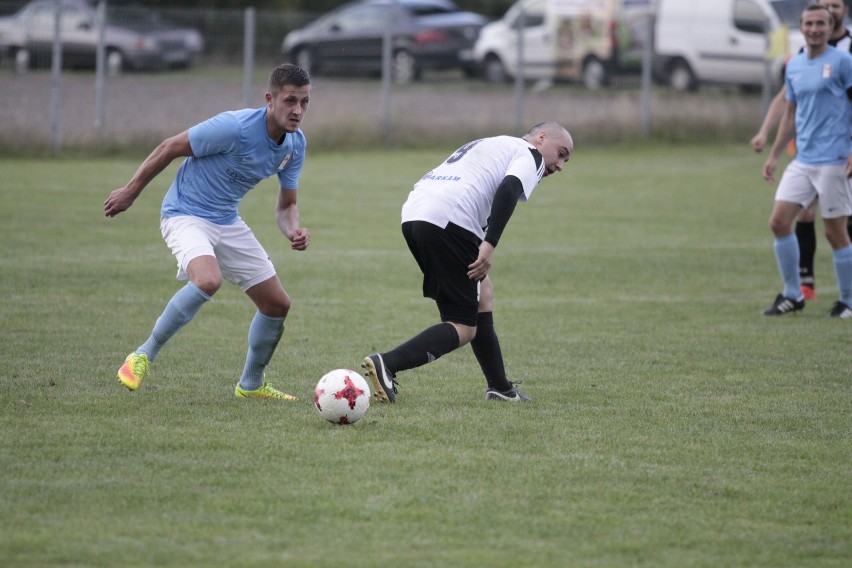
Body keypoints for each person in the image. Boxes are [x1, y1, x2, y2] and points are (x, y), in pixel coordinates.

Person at [103, 63, 313, 398]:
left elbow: (287, 206)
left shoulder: (294, 146)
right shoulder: (234, 127)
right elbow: (170, 146)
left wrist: (293, 230)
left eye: (304, 102)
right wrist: (131, 191)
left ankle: (251, 385)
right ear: (270, 99)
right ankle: (142, 354)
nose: (298, 110)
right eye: (290, 101)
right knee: (207, 279)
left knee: (277, 304)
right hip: (185, 213)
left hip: (226, 220)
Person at [361, 122, 574, 403]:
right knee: (463, 326)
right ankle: (387, 363)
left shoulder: (494, 142)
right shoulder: (529, 153)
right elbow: (509, 188)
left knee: (482, 293)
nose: (560, 165)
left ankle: (500, 387)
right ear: (541, 138)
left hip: (415, 214)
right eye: (561, 154)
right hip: (450, 220)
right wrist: (490, 243)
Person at [751, 0, 852, 301]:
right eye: (809, 24)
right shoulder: (795, 64)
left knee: (835, 233)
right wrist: (773, 154)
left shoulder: (843, 62)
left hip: (834, 159)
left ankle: (848, 301)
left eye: (820, 23)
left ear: (830, 25)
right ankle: (793, 295)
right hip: (803, 159)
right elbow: (790, 113)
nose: (814, 29)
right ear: (801, 27)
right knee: (779, 221)